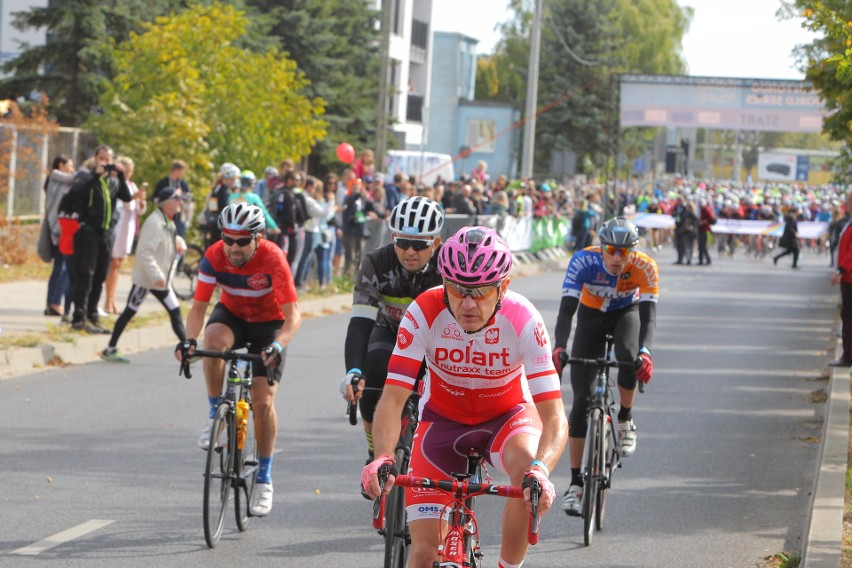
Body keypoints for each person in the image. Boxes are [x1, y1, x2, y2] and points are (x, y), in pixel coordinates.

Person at [361, 226, 567, 568]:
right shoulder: (423, 311)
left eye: (481, 292)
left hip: (507, 417)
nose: (467, 303)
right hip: (441, 421)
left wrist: (542, 470)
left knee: (525, 471)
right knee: (424, 553)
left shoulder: (524, 319)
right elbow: (394, 397)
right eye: (456, 289)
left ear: (503, 288)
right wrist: (382, 457)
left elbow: (555, 416)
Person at [175, 203, 301, 517]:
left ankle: (264, 477)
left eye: (242, 241)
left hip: (268, 325)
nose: (233, 247)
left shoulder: (273, 257)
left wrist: (277, 345)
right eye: (228, 239)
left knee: (262, 402)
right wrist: (189, 341)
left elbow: (293, 315)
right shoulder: (214, 255)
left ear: (257, 238)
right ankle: (215, 412)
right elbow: (198, 308)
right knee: (213, 342)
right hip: (232, 315)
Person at [551, 216, 658, 516]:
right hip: (591, 315)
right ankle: (575, 484)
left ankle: (625, 417)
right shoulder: (584, 261)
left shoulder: (645, 266)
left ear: (633, 252)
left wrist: (645, 352)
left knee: (628, 355)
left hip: (627, 313)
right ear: (601, 248)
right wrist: (559, 346)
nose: (616, 257)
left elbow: (648, 318)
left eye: (623, 252)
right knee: (581, 400)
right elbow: (565, 312)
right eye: (610, 250)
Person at [339, 197, 444, 494]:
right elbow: (360, 322)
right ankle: (376, 455)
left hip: (435, 342)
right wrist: (354, 371)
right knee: (372, 378)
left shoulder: (448, 265)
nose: (410, 251)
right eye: (403, 242)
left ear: (436, 242)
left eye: (420, 245)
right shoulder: (376, 261)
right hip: (391, 334)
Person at [101, 186, 187, 363]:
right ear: (166, 203)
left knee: (175, 310)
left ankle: (188, 350)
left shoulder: (167, 220)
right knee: (129, 312)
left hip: (161, 280)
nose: (181, 202)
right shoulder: (155, 223)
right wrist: (156, 275)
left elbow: (167, 239)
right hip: (148, 280)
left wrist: (179, 242)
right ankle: (110, 348)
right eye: (177, 199)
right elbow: (144, 253)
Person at [68, 144, 133, 334]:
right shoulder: (86, 177)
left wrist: (120, 175)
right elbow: (77, 193)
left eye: (108, 159)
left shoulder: (112, 182)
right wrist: (97, 174)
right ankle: (78, 317)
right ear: (96, 159)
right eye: (102, 158)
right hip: (87, 231)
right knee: (85, 275)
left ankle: (92, 315)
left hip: (105, 233)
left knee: (99, 275)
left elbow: (127, 197)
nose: (105, 162)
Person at [104, 156, 147, 315]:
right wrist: (133, 198)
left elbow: (137, 210)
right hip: (117, 225)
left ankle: (111, 299)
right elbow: (123, 204)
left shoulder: (132, 184)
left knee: (118, 263)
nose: (128, 174)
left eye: (131, 171)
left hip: (127, 228)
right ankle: (107, 300)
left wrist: (141, 201)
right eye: (126, 170)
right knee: (113, 262)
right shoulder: (114, 183)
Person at [43, 154, 76, 317]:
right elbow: (73, 180)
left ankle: (51, 304)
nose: (72, 169)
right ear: (61, 166)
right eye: (69, 166)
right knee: (63, 268)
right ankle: (55, 304)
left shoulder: (56, 179)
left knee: (58, 267)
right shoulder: (57, 177)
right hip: (60, 229)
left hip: (57, 228)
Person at [830, 192, 852, 366]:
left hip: (849, 277)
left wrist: (840, 270)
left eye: (849, 200)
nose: (846, 203)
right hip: (847, 277)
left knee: (849, 316)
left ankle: (848, 356)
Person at [154, 159, 191, 239]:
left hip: (179, 218)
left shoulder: (183, 184)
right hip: (165, 218)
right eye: (182, 171)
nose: (183, 173)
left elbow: (189, 197)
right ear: (176, 170)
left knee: (179, 239)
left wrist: (181, 196)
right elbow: (155, 198)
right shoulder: (163, 183)